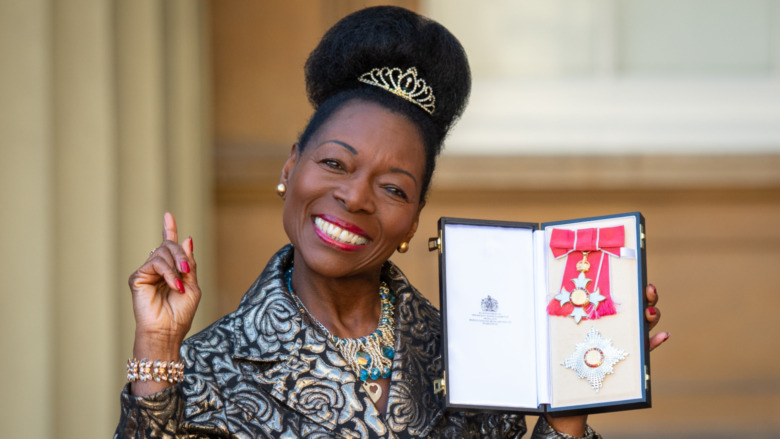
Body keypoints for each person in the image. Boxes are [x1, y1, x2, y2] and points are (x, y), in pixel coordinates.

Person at [115, 6, 667, 438]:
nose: (355, 197)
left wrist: (571, 395)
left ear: (413, 222)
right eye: (335, 163)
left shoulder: (475, 354)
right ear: (291, 166)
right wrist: (156, 348)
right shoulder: (205, 366)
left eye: (393, 188)